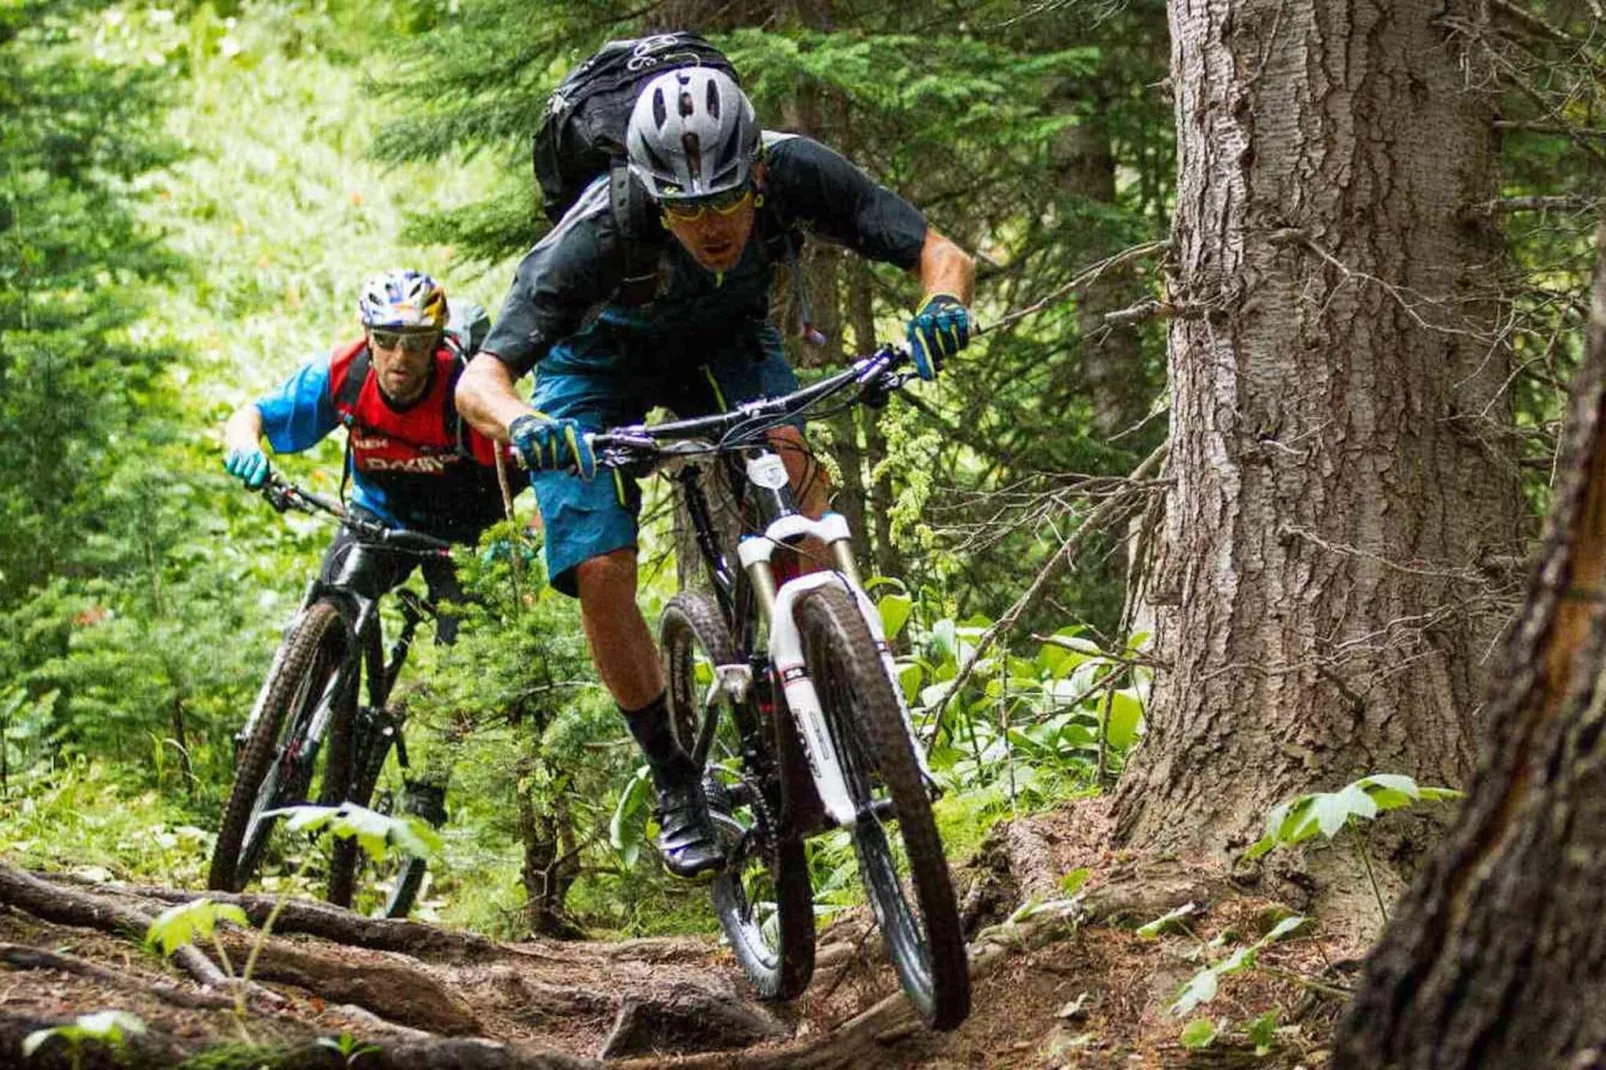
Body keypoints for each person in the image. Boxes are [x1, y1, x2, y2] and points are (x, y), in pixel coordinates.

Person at [456, 67, 976, 879]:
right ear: (653, 197)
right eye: (687, 208)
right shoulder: (596, 230)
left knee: (798, 494)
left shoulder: (796, 168)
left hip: (725, 345)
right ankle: (674, 779)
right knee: (600, 564)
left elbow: (940, 254)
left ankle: (829, 695)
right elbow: (477, 382)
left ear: (757, 174)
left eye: (727, 197)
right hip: (592, 373)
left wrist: (942, 308)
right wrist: (530, 426)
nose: (712, 224)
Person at [221, 268, 513, 648]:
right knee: (333, 599)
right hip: (379, 513)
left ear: (437, 344)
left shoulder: (466, 390)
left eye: (417, 343)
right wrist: (244, 445)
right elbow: (253, 413)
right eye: (386, 339)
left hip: (465, 529)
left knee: (466, 649)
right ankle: (321, 697)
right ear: (368, 338)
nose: (400, 357)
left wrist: (515, 537)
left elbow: (537, 467)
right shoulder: (346, 373)